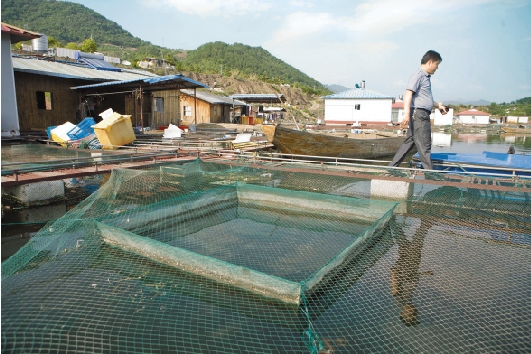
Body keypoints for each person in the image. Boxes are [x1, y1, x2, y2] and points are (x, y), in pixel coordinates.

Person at [388, 50, 448, 170]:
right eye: (437, 64)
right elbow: (408, 93)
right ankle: (430, 174)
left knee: (409, 143)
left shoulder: (425, 77)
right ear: (430, 62)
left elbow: (422, 98)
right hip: (419, 115)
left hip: (419, 114)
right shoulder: (419, 75)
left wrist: (438, 105)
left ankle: (391, 168)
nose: (437, 68)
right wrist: (406, 114)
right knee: (425, 145)